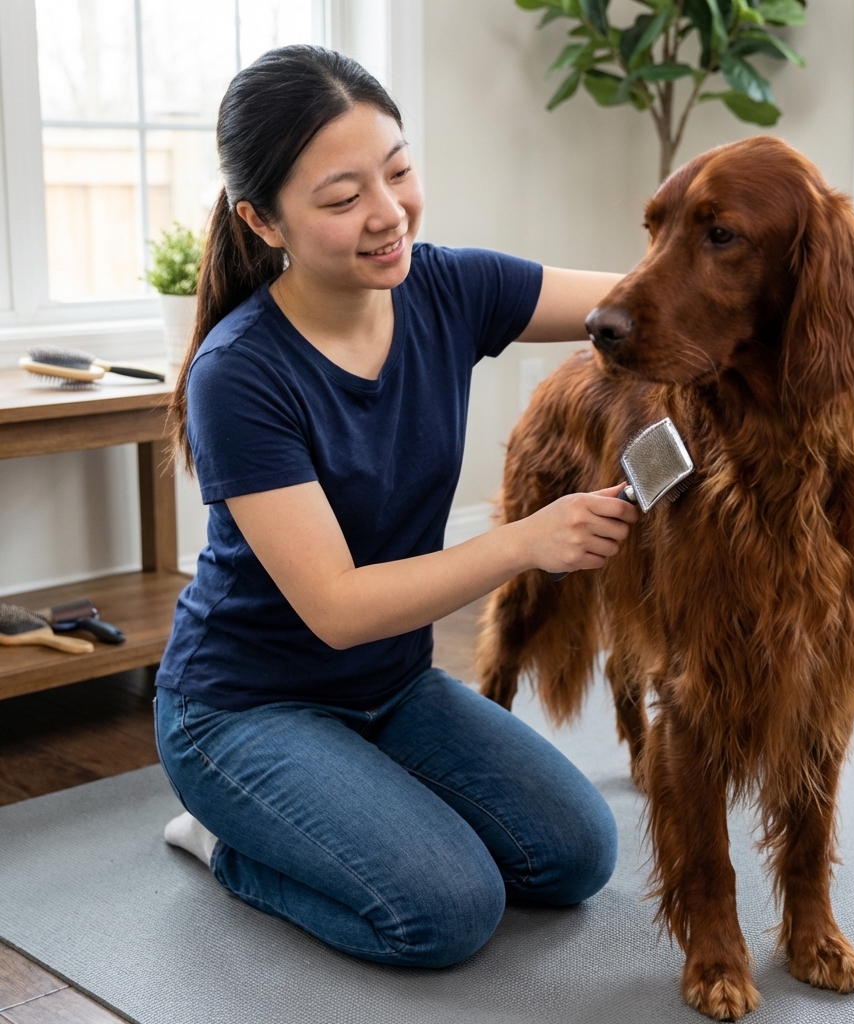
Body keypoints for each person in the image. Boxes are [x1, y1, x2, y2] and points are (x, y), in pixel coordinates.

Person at [155, 44, 638, 969]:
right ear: (263, 220)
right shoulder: (240, 374)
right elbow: (337, 610)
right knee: (445, 913)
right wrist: (528, 542)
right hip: (241, 710)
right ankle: (224, 841)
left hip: (391, 689)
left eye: (400, 170)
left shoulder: (448, 287)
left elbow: (636, 304)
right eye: (341, 199)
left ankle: (352, 799)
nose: (388, 214)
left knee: (577, 855)